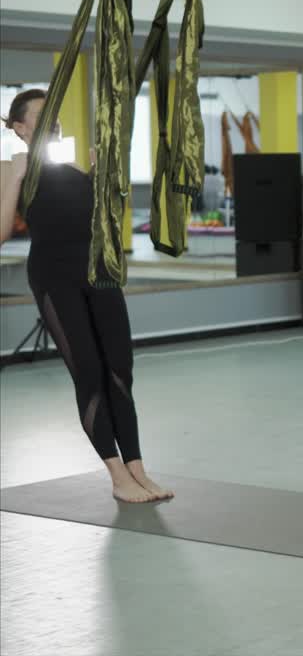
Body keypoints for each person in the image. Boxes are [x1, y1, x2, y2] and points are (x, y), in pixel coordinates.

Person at [0, 89, 172, 504]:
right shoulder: (12, 169)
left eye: (54, 113)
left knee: (120, 372)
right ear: (20, 128)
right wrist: (19, 175)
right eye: (41, 116)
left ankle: (138, 470)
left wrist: (102, 179)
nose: (52, 121)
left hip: (100, 275)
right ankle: (117, 477)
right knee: (90, 374)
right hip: (55, 280)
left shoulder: (74, 169)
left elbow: (105, 226)